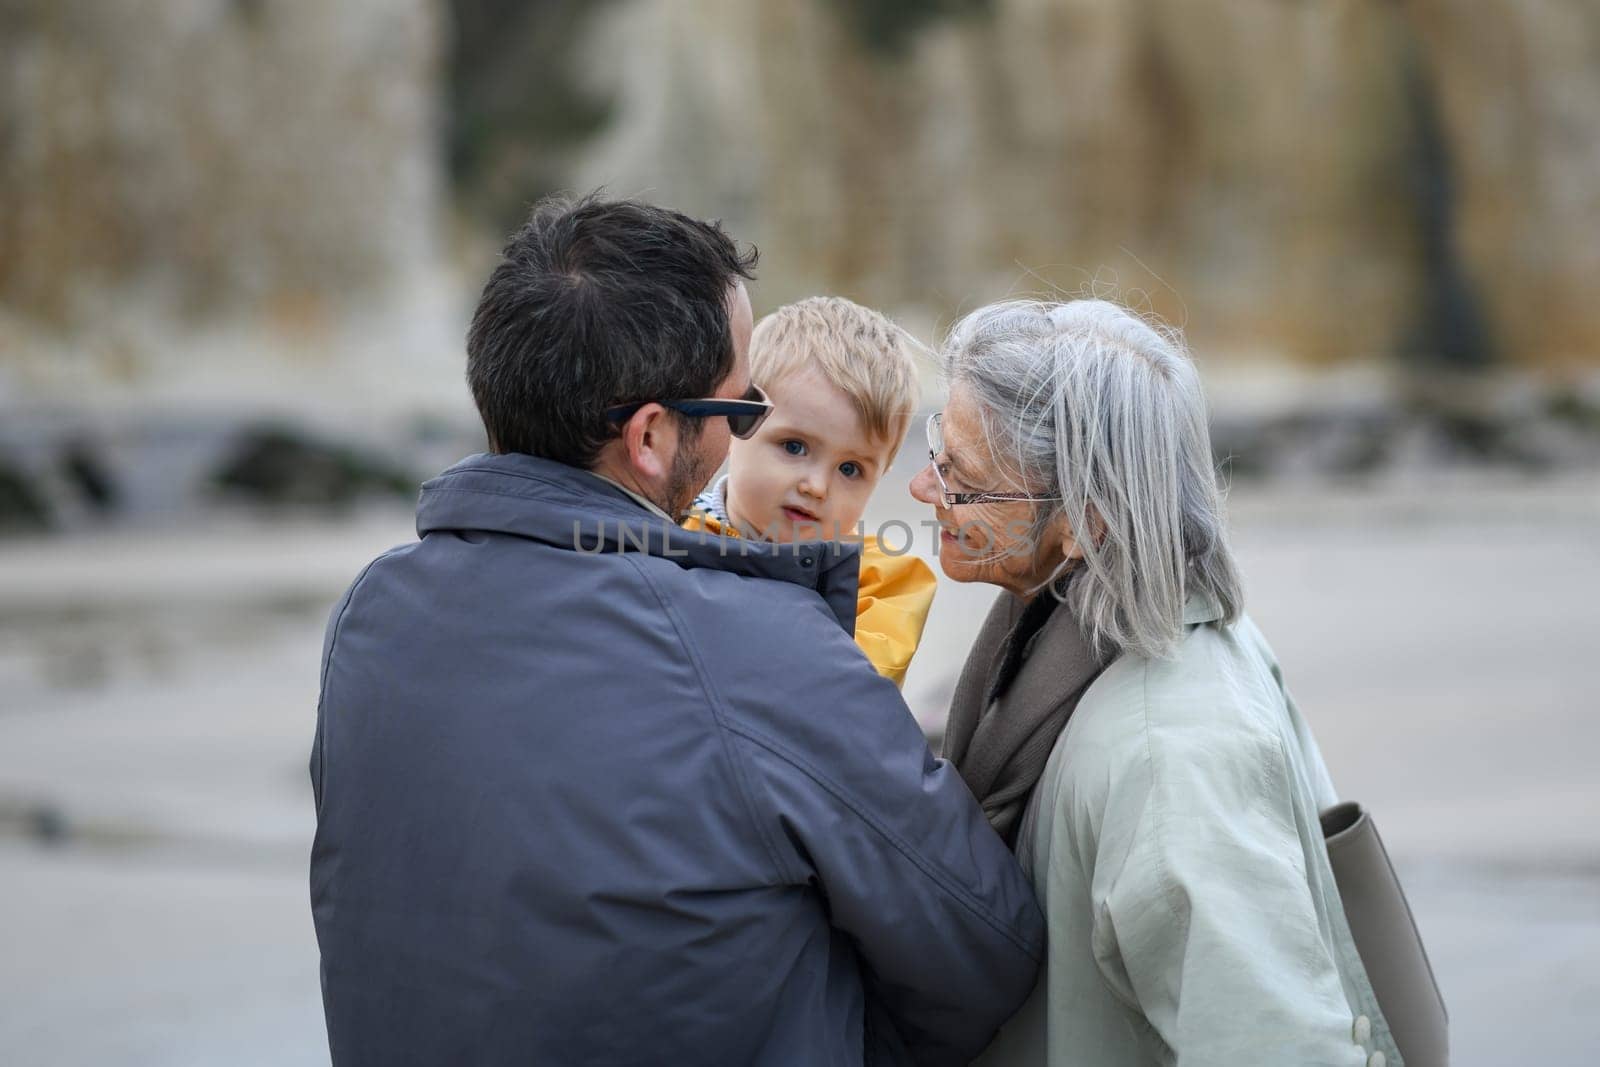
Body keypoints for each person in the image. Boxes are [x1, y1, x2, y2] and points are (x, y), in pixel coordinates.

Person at [308, 195, 1044, 1066]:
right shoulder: (761, 648)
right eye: (742, 413)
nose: (756, 447)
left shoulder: (373, 615)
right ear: (652, 435)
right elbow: (986, 949)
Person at [909, 298, 1400, 1066]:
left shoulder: (1168, 757)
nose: (923, 488)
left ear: (1086, 520)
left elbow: (1277, 1045)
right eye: (940, 448)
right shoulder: (1103, 628)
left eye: (962, 479)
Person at [684, 295, 936, 687]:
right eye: (794, 447)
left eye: (850, 469)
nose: (816, 486)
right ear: (737, 421)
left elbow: (847, 695)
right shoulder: (666, 530)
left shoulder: (880, 583)